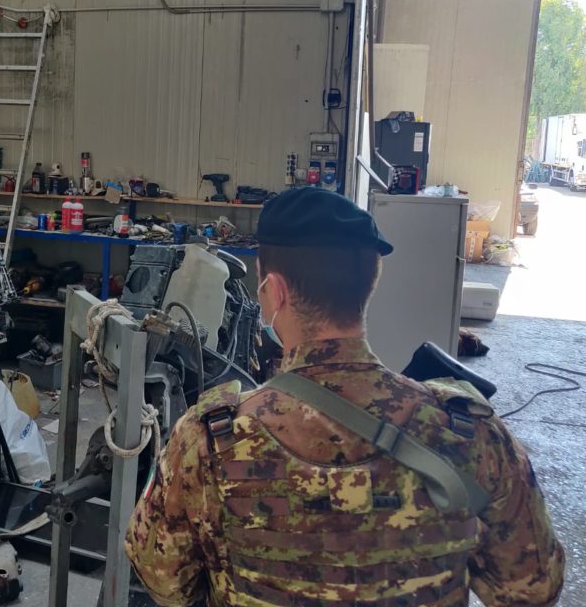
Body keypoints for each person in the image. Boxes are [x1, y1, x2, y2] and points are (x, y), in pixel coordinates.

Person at [126, 186, 564, 607]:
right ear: (369, 285)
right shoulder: (472, 435)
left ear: (274, 292)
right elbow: (532, 588)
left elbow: (164, 583)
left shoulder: (207, 441)